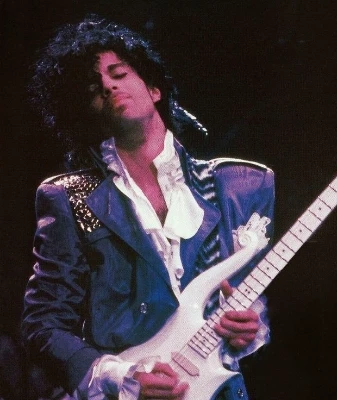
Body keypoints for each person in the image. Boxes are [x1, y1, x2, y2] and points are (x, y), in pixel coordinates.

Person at [22, 15, 275, 400]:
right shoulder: (68, 198)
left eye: (119, 73)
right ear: (87, 111)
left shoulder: (235, 186)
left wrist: (251, 328)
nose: (108, 85)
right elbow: (44, 325)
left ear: (154, 89)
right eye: (93, 86)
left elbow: (245, 298)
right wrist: (119, 376)